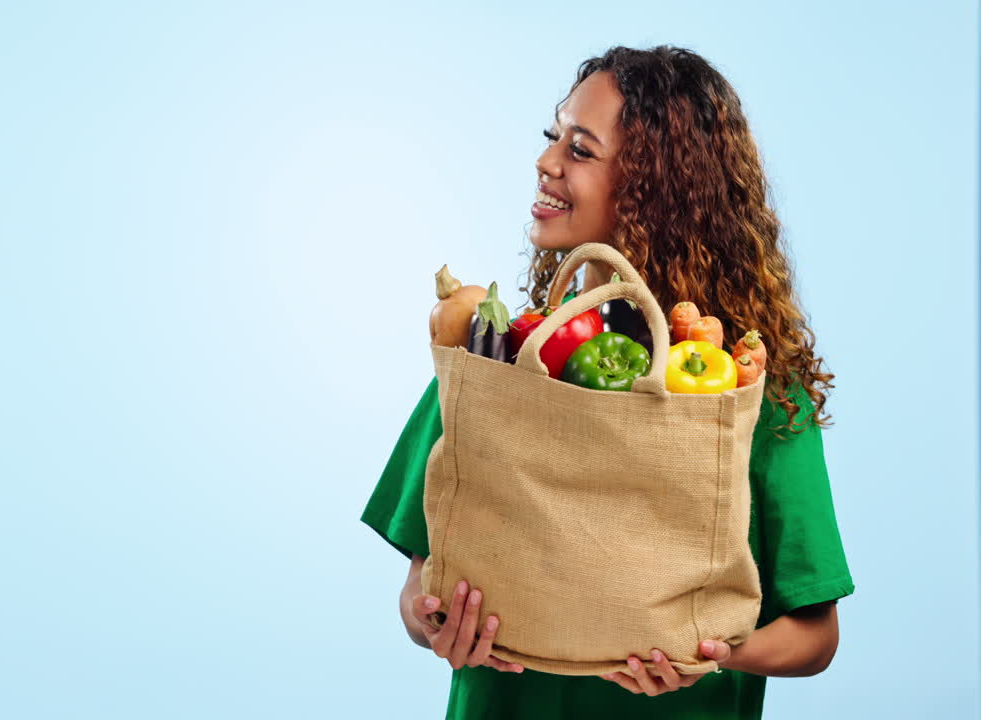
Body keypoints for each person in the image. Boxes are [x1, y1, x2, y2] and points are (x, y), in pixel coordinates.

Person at [360, 45, 855, 719]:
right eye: (553, 136)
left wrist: (714, 655)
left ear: (659, 184)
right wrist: (439, 626)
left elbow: (815, 635)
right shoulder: (500, 360)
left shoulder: (744, 389)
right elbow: (420, 586)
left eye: (581, 150)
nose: (546, 162)